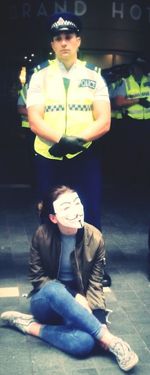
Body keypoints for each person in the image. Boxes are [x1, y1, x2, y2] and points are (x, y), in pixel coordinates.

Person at [1, 185, 138, 371]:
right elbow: (38, 279)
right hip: (45, 302)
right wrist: (73, 295)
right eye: (66, 207)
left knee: (84, 344)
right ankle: (113, 342)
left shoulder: (95, 237)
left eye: (77, 202)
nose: (75, 209)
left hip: (75, 309)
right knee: (53, 288)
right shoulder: (41, 235)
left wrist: (100, 321)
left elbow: (95, 284)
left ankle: (31, 326)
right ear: (53, 217)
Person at [26, 11, 111, 286]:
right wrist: (60, 140)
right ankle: (49, 269)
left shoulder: (94, 76)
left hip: (83, 156)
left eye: (69, 37)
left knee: (91, 210)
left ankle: (95, 270)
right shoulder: (39, 77)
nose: (64, 42)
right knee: (48, 212)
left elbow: (104, 120)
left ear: (78, 40)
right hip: (48, 156)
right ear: (52, 44)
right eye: (58, 38)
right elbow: (35, 118)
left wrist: (76, 141)